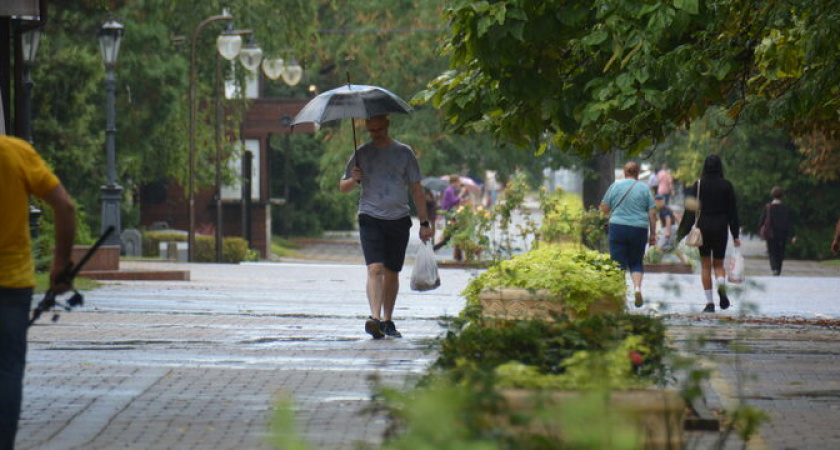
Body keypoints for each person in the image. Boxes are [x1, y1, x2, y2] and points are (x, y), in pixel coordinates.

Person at [1, 134, 76, 450]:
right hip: (11, 285)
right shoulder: (14, 152)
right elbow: (65, 205)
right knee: (6, 371)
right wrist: (60, 264)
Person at [339, 115, 432, 339]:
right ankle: (375, 318)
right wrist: (354, 179)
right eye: (371, 130)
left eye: (379, 129)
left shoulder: (404, 153)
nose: (376, 133)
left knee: (392, 271)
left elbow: (417, 189)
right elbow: (343, 187)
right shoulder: (361, 153)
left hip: (398, 218)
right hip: (370, 216)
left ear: (387, 126)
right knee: (374, 268)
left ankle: (387, 319)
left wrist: (425, 222)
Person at [677, 154, 740, 313]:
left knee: (705, 265)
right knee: (718, 264)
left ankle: (710, 303)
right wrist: (735, 234)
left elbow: (690, 212)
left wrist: (680, 234)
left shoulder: (698, 185)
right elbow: (733, 212)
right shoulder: (727, 186)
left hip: (703, 228)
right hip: (721, 227)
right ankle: (721, 288)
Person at [600, 161, 657, 308]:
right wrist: (653, 235)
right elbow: (652, 214)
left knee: (618, 263)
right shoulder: (644, 189)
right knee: (636, 261)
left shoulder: (615, 186)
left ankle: (620, 296)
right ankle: (637, 288)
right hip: (639, 229)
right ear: (638, 173)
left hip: (618, 227)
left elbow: (604, 208)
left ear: (625, 172)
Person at [758, 186, 796, 276]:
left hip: (771, 233)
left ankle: (774, 268)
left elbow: (761, 221)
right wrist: (793, 235)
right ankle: (778, 268)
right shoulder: (786, 208)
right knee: (781, 251)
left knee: (772, 251)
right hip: (783, 233)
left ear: (772, 195)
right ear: (782, 196)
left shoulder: (768, 207)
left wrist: (761, 230)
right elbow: (789, 222)